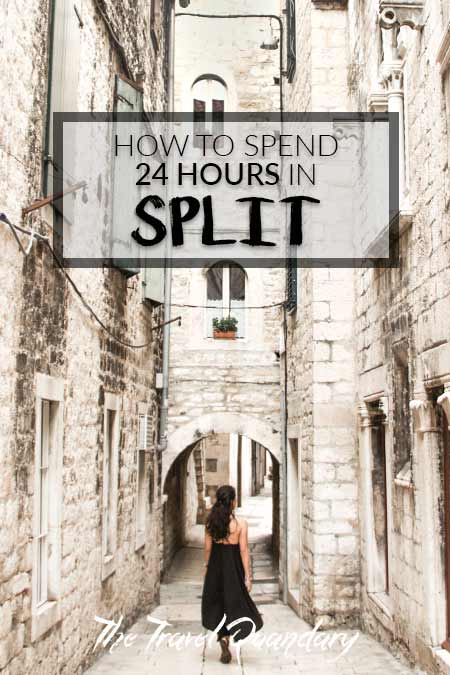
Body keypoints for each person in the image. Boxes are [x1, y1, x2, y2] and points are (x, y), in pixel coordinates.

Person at [201, 485, 263, 664]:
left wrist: (206, 567)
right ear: (233, 502)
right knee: (234, 603)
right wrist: (247, 576)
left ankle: (223, 637)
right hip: (233, 568)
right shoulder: (240, 524)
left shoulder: (210, 522)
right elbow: (243, 550)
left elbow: (207, 548)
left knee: (218, 603)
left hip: (215, 566)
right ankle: (234, 633)